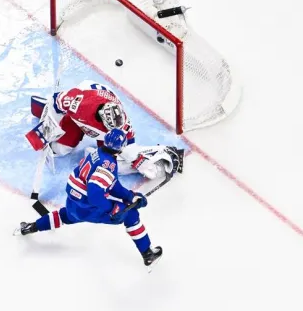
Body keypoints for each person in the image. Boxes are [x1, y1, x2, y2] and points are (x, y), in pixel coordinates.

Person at [14, 128, 163, 268]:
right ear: (121, 148)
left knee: (64, 215)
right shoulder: (108, 164)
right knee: (131, 214)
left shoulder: (98, 153)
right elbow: (95, 194)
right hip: (89, 207)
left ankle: (29, 227)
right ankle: (147, 254)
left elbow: (111, 184)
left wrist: (129, 196)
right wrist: (113, 208)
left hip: (74, 203)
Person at [27, 80, 184, 181]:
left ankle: (163, 150)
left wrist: (140, 162)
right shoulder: (78, 103)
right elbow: (56, 101)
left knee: (110, 167)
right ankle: (43, 107)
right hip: (80, 117)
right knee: (59, 150)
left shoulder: (122, 125)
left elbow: (128, 150)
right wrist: (48, 128)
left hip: (98, 120)